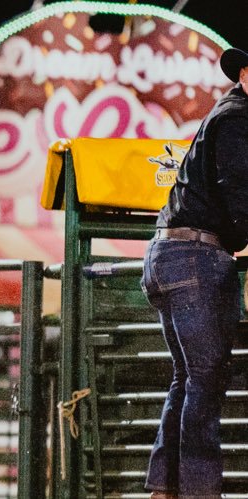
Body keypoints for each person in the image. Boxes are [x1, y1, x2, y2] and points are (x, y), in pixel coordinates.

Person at [142, 46, 248, 499]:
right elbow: (240, 193)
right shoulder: (239, 119)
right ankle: (200, 493)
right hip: (196, 258)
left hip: (169, 254)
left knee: (187, 378)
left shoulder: (224, 116)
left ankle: (165, 488)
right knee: (205, 380)